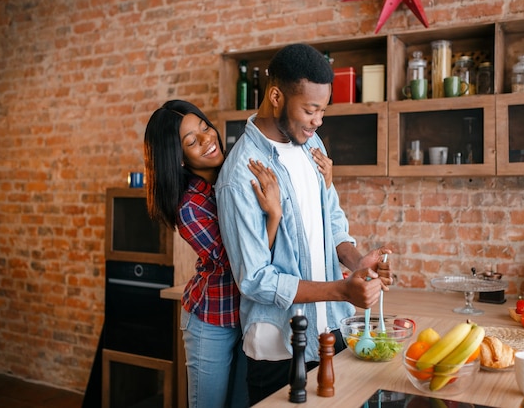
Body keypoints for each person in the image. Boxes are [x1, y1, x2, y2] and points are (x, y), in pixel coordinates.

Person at [215, 44, 393, 405]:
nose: (318, 121)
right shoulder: (240, 174)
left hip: (331, 328)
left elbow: (333, 221)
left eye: (323, 110)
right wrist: (342, 290)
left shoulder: (311, 144)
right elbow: (255, 280)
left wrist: (357, 263)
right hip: (279, 347)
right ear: (276, 96)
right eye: (310, 110)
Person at [143, 100, 286, 408]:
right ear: (178, 158)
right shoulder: (189, 207)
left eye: (205, 127)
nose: (208, 140)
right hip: (212, 320)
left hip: (247, 315)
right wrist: (273, 215)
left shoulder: (233, 175)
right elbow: (242, 261)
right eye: (192, 141)